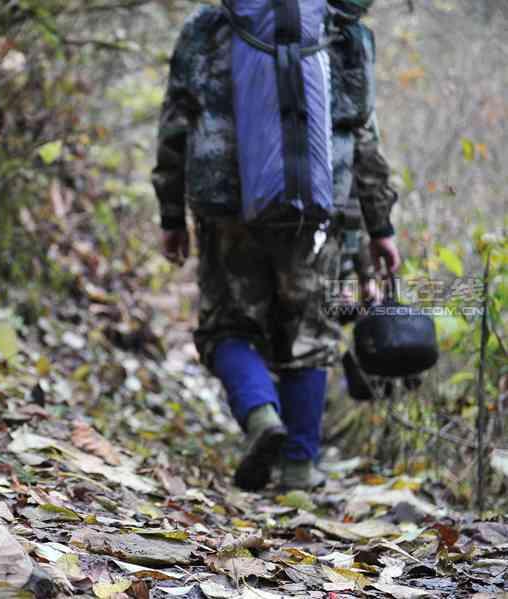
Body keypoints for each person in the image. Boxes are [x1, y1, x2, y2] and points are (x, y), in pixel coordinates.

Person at [152, 0, 400, 491]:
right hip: (316, 207)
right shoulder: (343, 31)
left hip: (225, 205)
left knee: (226, 327)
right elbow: (363, 136)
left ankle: (261, 415)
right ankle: (299, 466)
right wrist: (379, 226)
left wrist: (171, 214)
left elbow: (176, 124)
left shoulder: (209, 26)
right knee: (309, 333)